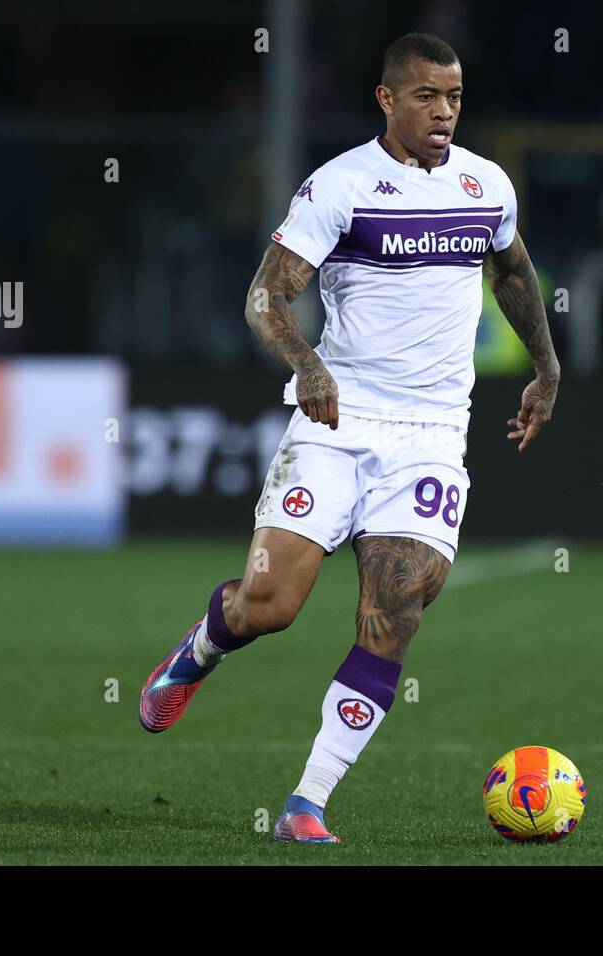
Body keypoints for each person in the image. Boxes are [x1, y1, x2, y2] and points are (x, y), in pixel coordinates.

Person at [138, 32, 560, 843]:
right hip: (337, 423)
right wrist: (308, 365)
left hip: (434, 433)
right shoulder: (341, 186)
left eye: (456, 98)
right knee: (270, 605)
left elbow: (510, 269)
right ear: (387, 100)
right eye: (427, 97)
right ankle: (198, 652)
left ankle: (307, 802)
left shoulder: (485, 183)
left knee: (396, 607)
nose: (444, 112)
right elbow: (266, 297)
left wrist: (545, 365)